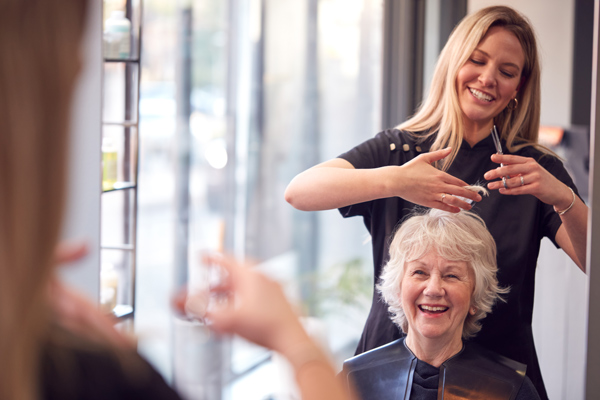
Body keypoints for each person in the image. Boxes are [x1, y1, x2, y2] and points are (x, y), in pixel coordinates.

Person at [284, 6, 587, 399]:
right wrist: (396, 180)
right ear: (452, 63)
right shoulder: (397, 151)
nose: (488, 78)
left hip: (498, 384)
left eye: (507, 72)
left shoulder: (533, 171)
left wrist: (562, 196)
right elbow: (299, 191)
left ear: (519, 88)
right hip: (385, 376)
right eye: (476, 60)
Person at [341, 209, 540, 399]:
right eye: (420, 272)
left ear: (475, 295)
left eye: (451, 275)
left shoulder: (511, 389)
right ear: (398, 288)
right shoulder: (352, 380)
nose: (434, 289)